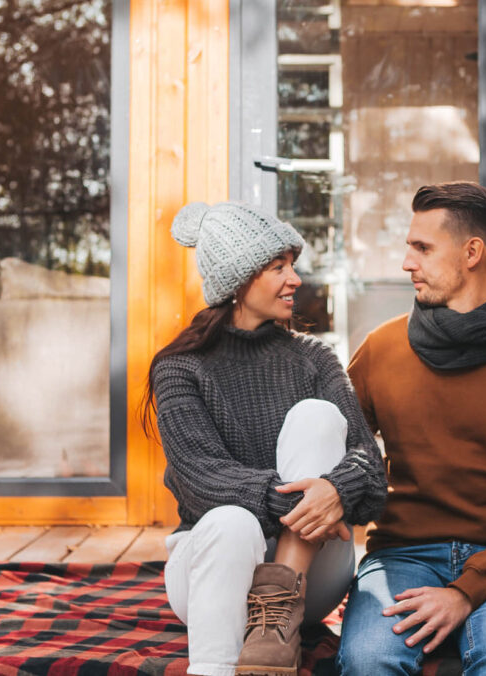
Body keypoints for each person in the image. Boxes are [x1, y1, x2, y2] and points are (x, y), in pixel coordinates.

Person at [337, 181, 486, 675]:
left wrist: (464, 592)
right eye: (410, 247)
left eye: (422, 248)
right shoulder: (381, 351)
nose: (407, 262)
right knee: (367, 659)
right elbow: (339, 457)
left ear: (473, 252)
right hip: (401, 556)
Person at [143, 201, 387, 676]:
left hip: (310, 577)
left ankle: (277, 611)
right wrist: (315, 499)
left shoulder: (315, 359)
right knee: (231, 520)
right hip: (214, 569)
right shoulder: (179, 367)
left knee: (317, 417)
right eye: (279, 267)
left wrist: (339, 489)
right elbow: (202, 480)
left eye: (292, 265)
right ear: (237, 281)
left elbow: (370, 468)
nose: (295, 279)